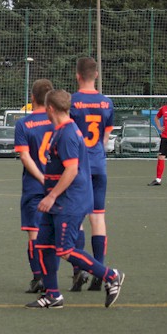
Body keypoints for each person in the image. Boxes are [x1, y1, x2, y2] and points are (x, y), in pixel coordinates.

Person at [26, 89, 124, 309]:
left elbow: (71, 170)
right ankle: (53, 295)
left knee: (65, 250)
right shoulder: (61, 130)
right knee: (43, 245)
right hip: (59, 201)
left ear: (50, 109)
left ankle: (110, 275)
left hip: (69, 201)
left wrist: (51, 195)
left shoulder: (69, 133)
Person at [69, 57, 115, 292]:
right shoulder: (107, 103)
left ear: (77, 75)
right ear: (96, 74)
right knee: (98, 217)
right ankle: (100, 269)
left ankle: (79, 271)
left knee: (77, 219)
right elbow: (105, 139)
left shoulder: (71, 102)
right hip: (99, 164)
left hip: (78, 167)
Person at [14, 79, 54, 294]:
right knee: (71, 228)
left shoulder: (23, 123)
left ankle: (38, 277)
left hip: (34, 186)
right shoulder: (58, 121)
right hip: (60, 183)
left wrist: (40, 177)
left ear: (32, 98)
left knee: (34, 233)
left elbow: (24, 156)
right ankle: (78, 269)